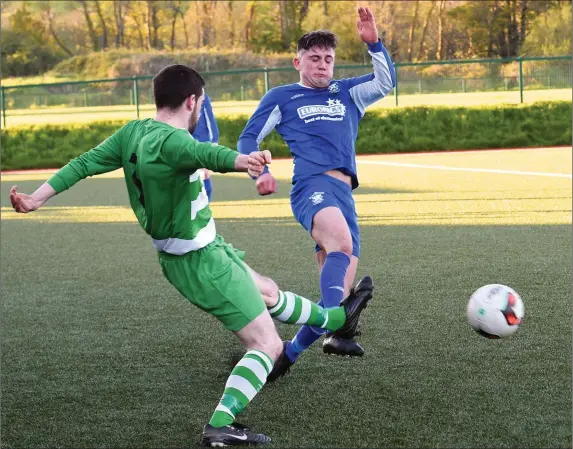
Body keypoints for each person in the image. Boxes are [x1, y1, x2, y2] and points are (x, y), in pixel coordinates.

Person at [9, 64, 374, 447]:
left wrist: (37, 197)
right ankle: (221, 424)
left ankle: (338, 317)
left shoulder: (133, 132)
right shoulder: (175, 142)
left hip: (203, 249)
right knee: (266, 346)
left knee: (266, 291)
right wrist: (245, 161)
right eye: (201, 102)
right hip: (200, 261)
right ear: (191, 101)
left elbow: (83, 164)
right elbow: (206, 152)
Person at [237, 7, 395, 379]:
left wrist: (374, 43)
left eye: (328, 58)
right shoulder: (282, 96)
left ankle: (288, 356)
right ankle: (334, 325)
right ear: (298, 61)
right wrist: (257, 169)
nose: (323, 65)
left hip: (344, 195)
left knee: (335, 298)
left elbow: (385, 83)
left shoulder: (347, 92)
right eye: (314, 58)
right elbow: (249, 137)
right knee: (339, 244)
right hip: (312, 187)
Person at [191, 92, 219, 201]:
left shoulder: (202, 96)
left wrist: (214, 140)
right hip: (187, 141)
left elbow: (210, 119)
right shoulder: (177, 96)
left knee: (204, 174)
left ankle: (206, 205)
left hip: (203, 142)